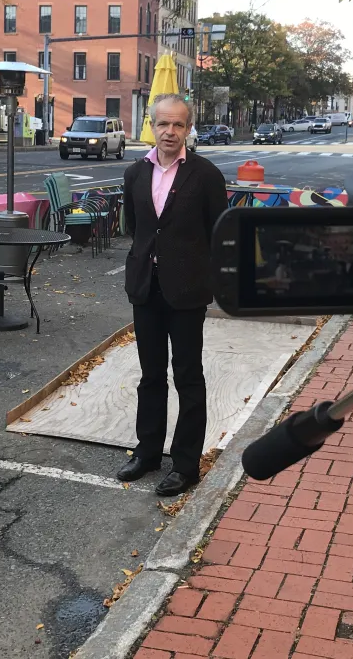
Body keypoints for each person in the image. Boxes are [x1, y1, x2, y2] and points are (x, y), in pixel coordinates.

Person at [118, 93, 229, 496]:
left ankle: (185, 464)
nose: (170, 131)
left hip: (187, 293)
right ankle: (147, 452)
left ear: (188, 128)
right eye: (163, 124)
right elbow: (137, 228)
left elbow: (220, 233)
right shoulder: (134, 174)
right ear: (151, 125)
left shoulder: (206, 175)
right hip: (146, 288)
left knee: (188, 376)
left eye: (178, 124)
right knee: (150, 376)